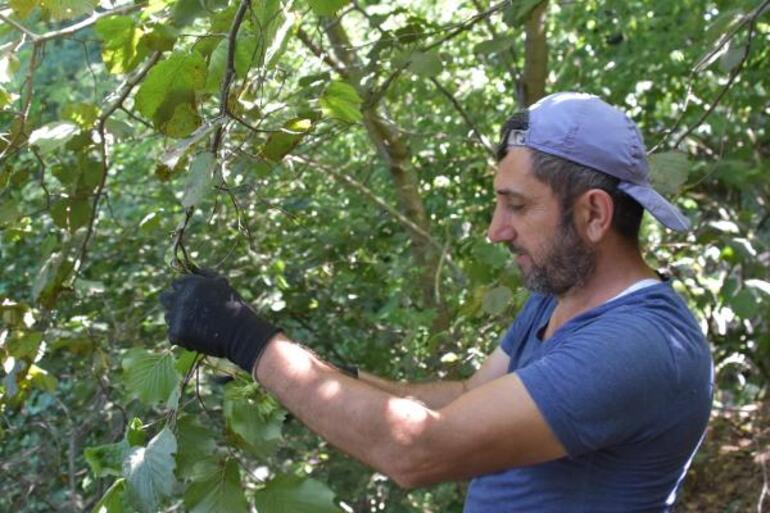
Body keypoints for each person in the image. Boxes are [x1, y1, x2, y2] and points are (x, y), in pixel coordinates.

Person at [160, 92, 713, 512]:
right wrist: (318, 377)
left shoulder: (638, 346)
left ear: (593, 214)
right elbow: (469, 395)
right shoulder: (559, 296)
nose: (497, 231)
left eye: (517, 207)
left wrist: (245, 339)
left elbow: (419, 452)